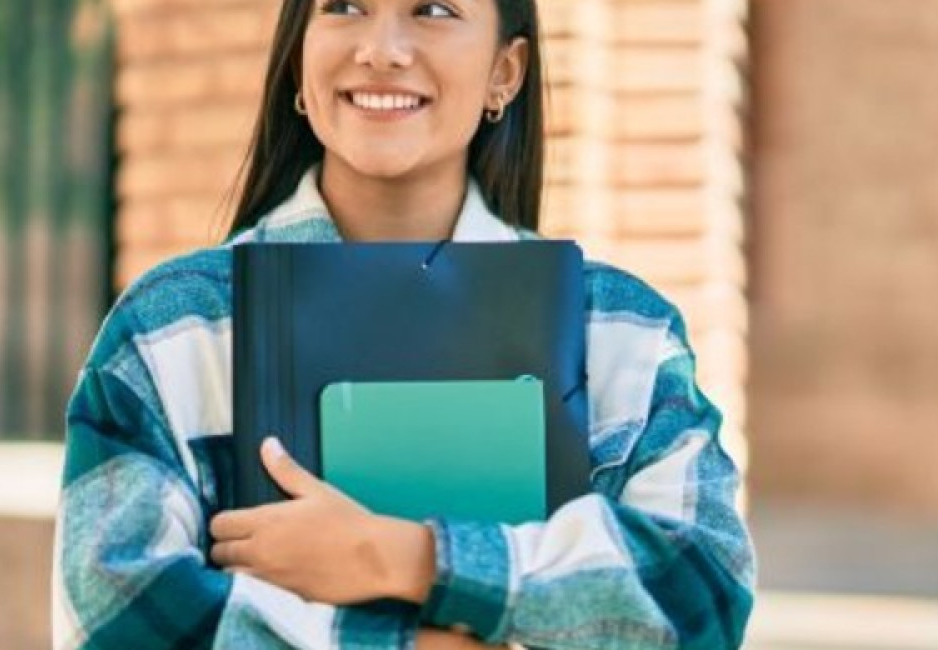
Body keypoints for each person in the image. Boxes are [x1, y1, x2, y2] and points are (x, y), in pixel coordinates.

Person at [52, 0, 756, 648]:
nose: (381, 48)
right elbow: (114, 612)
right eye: (344, 6)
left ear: (503, 72)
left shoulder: (619, 333)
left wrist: (405, 557)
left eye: (434, 9)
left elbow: (700, 592)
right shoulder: (172, 332)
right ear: (300, 58)